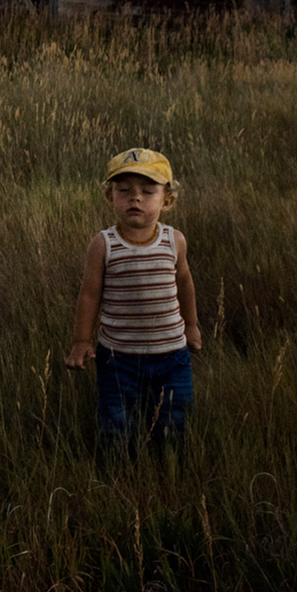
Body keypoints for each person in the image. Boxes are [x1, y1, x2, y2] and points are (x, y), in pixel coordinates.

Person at [64, 147, 201, 456]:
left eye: (147, 191)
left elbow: (184, 282)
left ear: (167, 200)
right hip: (118, 358)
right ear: (110, 197)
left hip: (172, 356)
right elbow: (89, 294)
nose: (135, 198)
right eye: (123, 190)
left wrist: (191, 326)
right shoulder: (103, 245)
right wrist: (81, 340)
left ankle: (169, 471)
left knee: (174, 421)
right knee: (116, 424)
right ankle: (117, 473)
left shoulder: (174, 240)